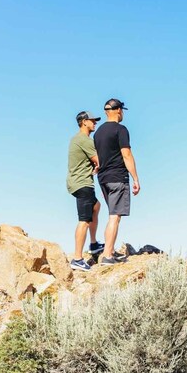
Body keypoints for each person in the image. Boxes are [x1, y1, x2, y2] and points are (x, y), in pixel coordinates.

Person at [94, 98, 140, 266]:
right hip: (117, 177)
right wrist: (135, 178)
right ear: (118, 110)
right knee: (115, 217)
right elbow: (126, 154)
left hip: (103, 178)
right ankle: (107, 255)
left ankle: (110, 250)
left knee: (111, 215)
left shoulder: (98, 132)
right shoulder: (120, 130)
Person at [66, 111, 105, 271]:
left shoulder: (78, 139)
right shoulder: (84, 139)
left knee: (96, 206)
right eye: (92, 121)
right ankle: (77, 258)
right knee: (84, 220)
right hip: (82, 184)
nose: (95, 123)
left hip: (80, 183)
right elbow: (99, 160)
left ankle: (94, 244)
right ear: (84, 122)